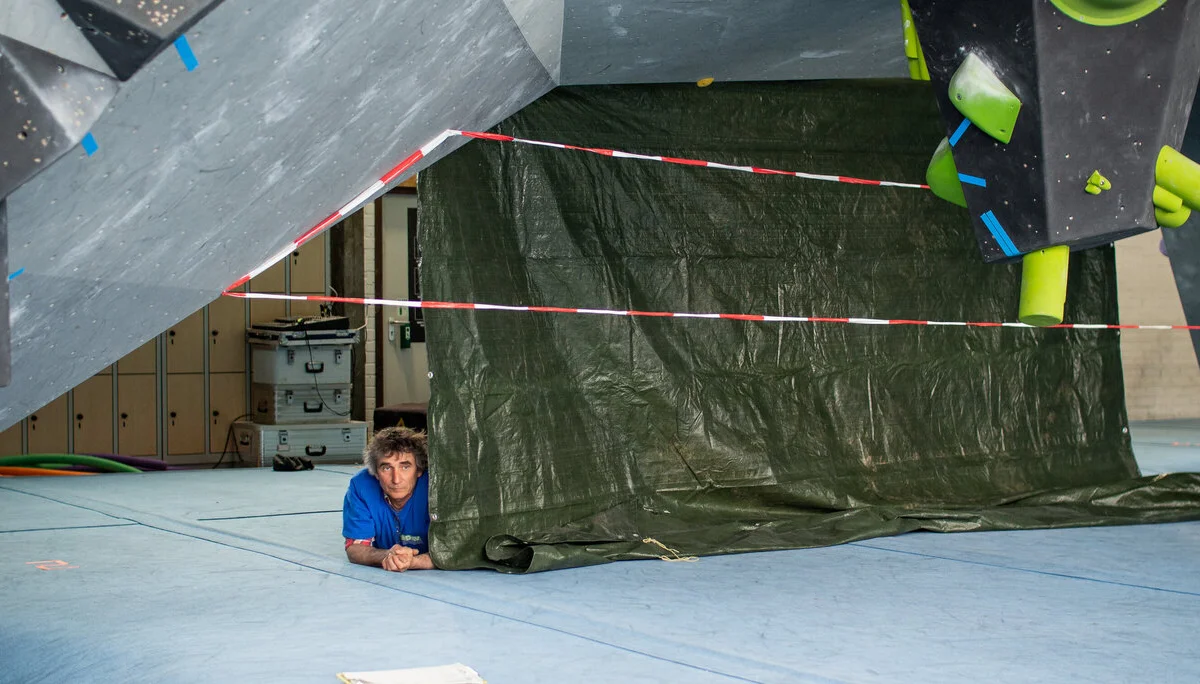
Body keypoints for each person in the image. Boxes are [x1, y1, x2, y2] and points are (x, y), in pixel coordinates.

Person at [342, 427, 435, 571]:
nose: (396, 479)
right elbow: (355, 548)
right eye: (386, 468)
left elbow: (456, 549)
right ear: (376, 473)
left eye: (405, 467)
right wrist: (387, 555)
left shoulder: (436, 487)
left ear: (419, 470)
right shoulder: (361, 486)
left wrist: (413, 562)